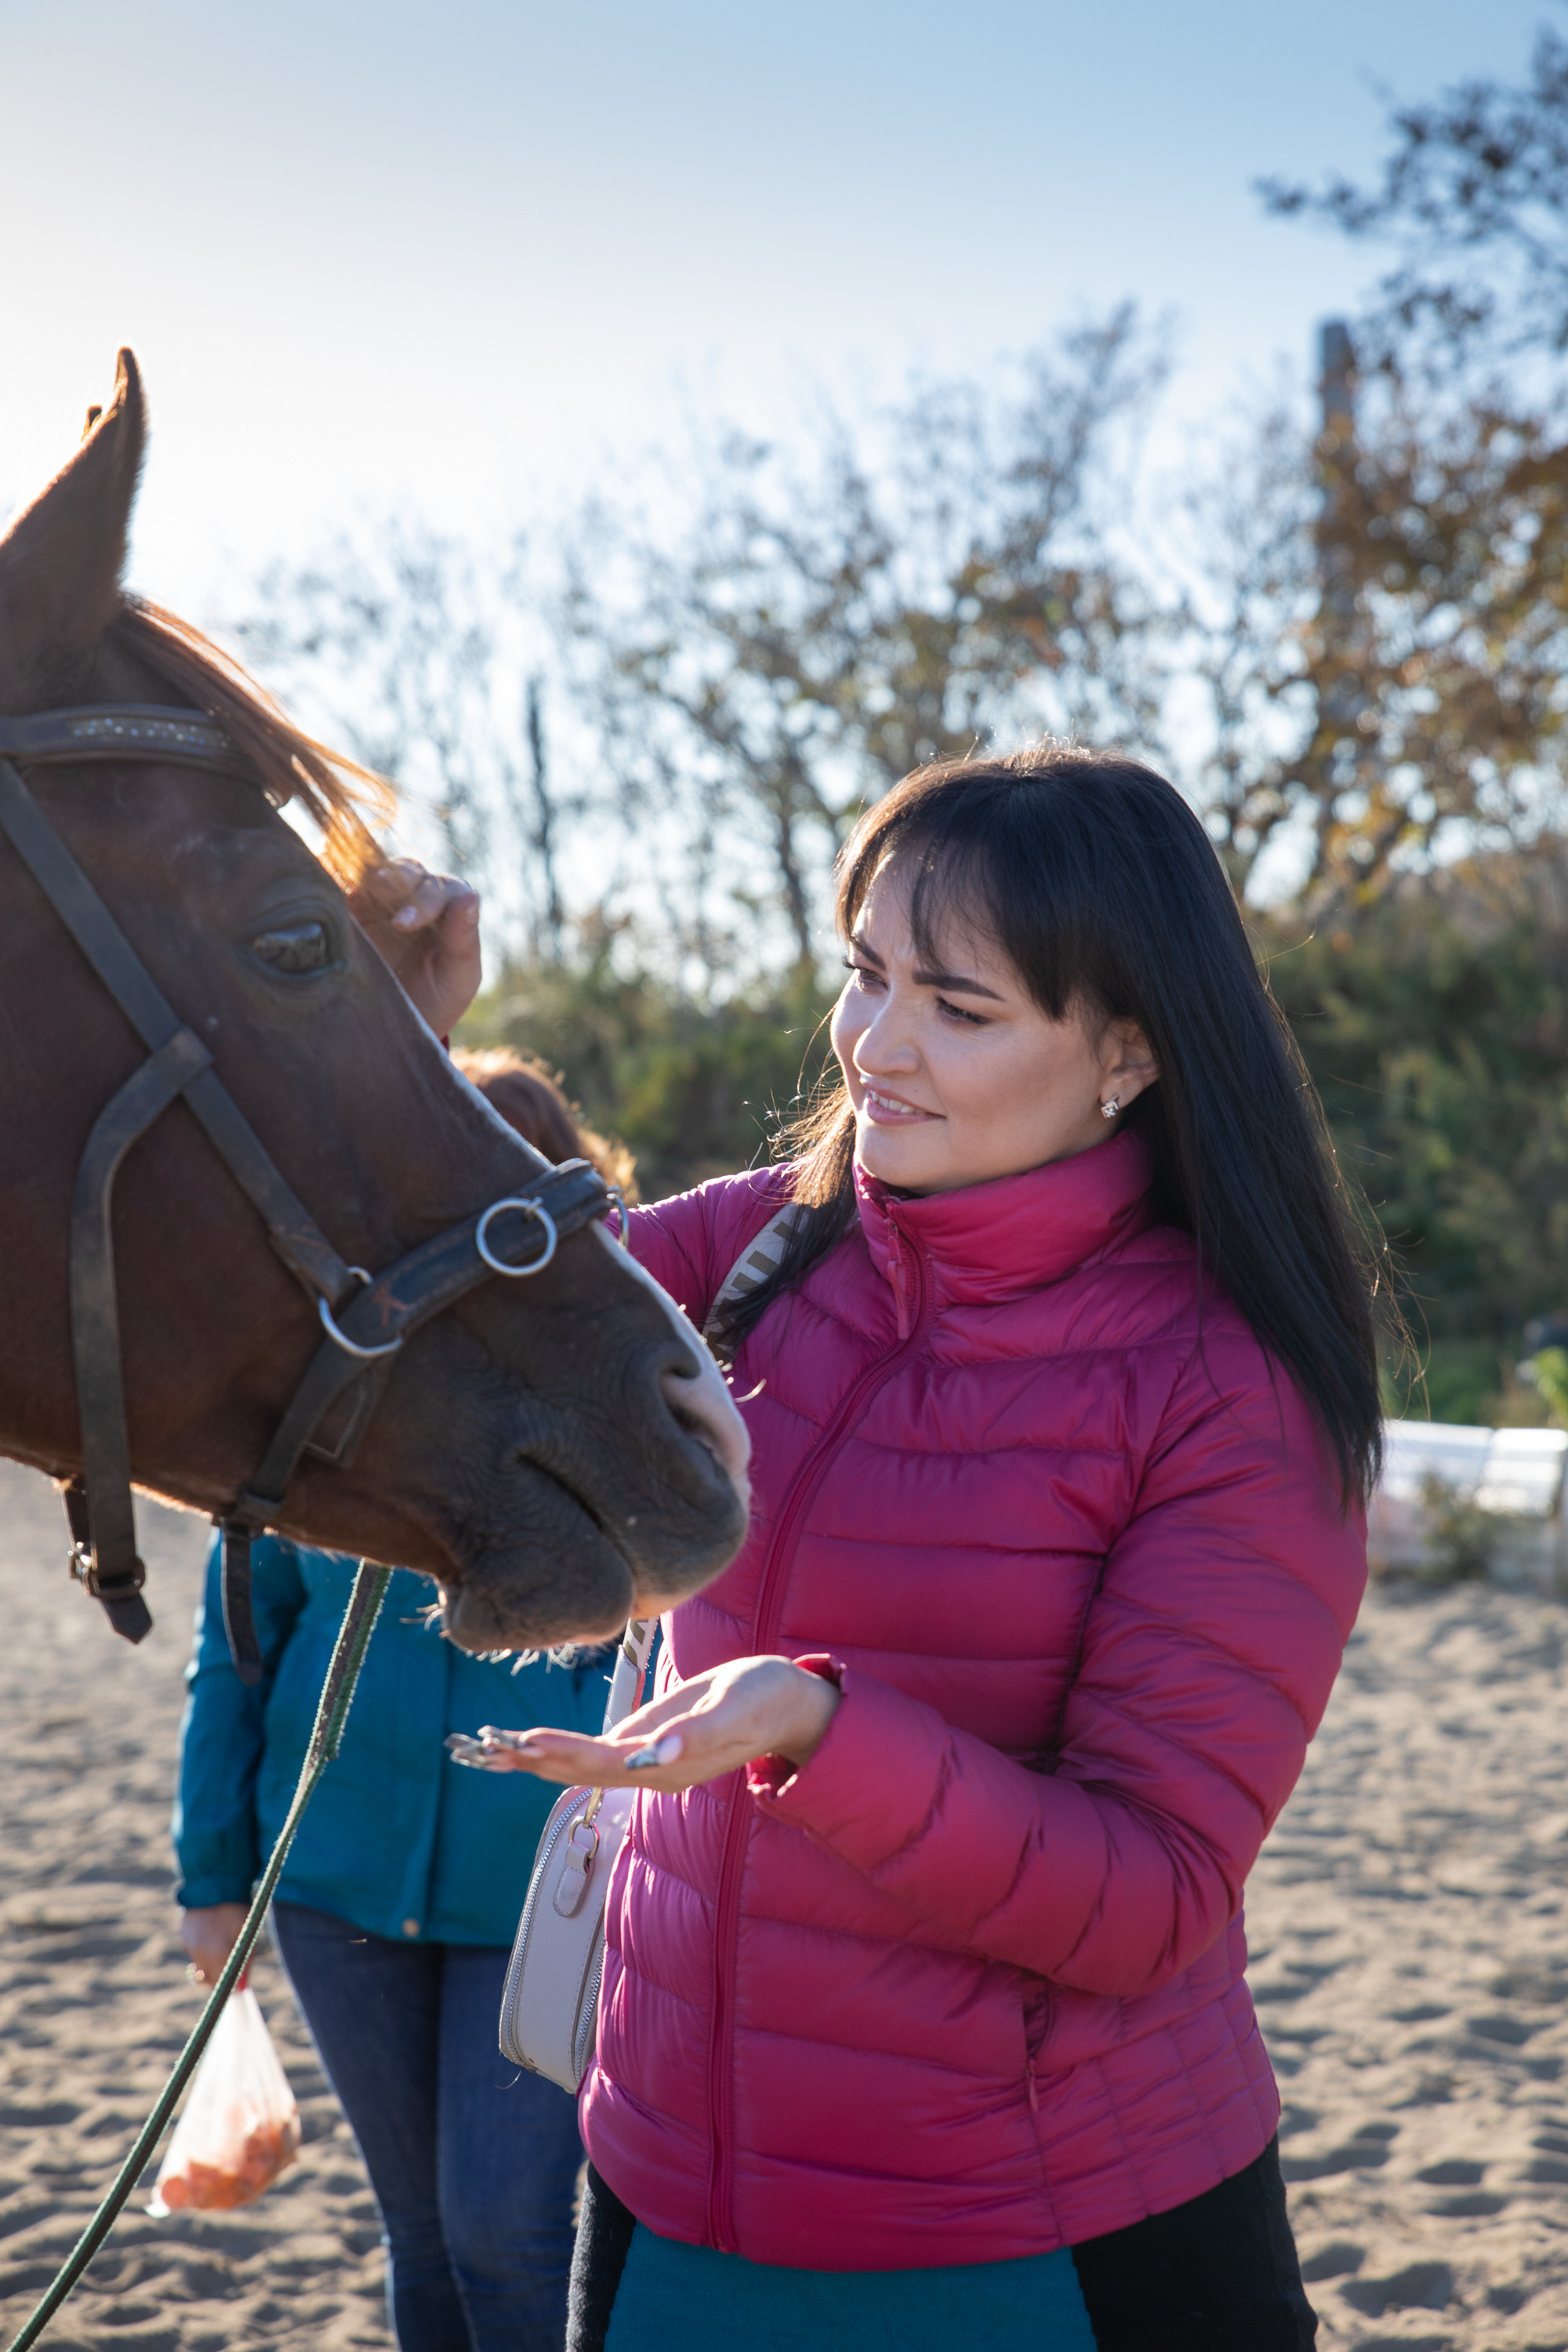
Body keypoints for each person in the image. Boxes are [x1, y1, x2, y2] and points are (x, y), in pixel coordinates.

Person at [473, 747, 1381, 2352]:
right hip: (663, 2180)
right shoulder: (758, 1243)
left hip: (1035, 2235)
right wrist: (383, 1024)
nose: (874, 1047)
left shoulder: (1223, 1387)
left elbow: (1150, 1896)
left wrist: (821, 1731)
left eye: (957, 1010)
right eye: (864, 976)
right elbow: (440, 1339)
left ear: (1126, 1056)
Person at [173, 1009, 636, 2352]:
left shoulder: (618, 1418)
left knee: (510, 2236)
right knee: (422, 2236)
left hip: (540, 1884)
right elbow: (237, 1644)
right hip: (333, 1887)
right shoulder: (318, 1395)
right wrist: (211, 1874)